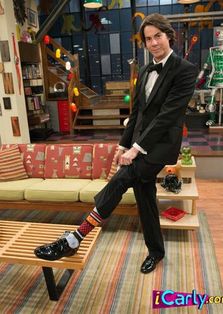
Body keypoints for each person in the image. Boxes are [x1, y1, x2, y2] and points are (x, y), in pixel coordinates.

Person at [34, 13, 197, 274]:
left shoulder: (185, 70)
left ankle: (76, 236)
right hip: (140, 142)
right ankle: (156, 251)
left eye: (158, 36)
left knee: (123, 178)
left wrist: (136, 149)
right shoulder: (144, 71)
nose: (154, 43)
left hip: (161, 146)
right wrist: (123, 144)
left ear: (169, 36)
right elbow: (138, 113)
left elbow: (167, 116)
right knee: (145, 200)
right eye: (148, 39)